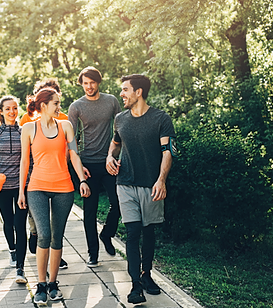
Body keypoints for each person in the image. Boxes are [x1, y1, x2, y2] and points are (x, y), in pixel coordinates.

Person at [106, 74, 176, 304]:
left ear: (139, 92)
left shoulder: (161, 119)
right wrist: (109, 157)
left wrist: (161, 180)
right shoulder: (120, 119)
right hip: (125, 183)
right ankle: (135, 285)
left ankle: (147, 275)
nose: (122, 94)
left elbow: (168, 152)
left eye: (125, 90)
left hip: (151, 185)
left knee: (148, 232)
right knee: (133, 232)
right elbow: (116, 143)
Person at [18, 88, 90, 305]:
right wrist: (21, 191)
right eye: (56, 103)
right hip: (37, 187)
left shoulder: (66, 126)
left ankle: (53, 284)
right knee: (43, 235)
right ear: (43, 105)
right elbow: (24, 162)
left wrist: (82, 180)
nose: (59, 107)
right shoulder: (29, 128)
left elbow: (74, 154)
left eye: (59, 103)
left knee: (57, 236)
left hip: (64, 188)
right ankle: (40, 284)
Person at [68, 66, 121, 267]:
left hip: (109, 162)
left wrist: (117, 157)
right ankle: (93, 253)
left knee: (118, 203)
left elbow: (120, 131)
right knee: (89, 211)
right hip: (87, 164)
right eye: (85, 83)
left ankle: (107, 234)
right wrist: (79, 167)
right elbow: (71, 140)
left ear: (98, 82)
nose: (89, 87)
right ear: (81, 84)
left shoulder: (111, 101)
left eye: (92, 82)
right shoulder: (76, 106)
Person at [19, 78, 69, 269]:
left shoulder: (64, 120)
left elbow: (70, 150)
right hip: (35, 178)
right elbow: (24, 156)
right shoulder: (27, 122)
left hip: (59, 177)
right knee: (40, 226)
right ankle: (37, 236)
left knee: (56, 228)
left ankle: (54, 256)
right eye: (54, 101)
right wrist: (23, 187)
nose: (57, 106)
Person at [0, 96, 29, 284]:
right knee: (8, 221)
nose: (12, 112)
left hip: (22, 186)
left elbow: (32, 160)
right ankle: (12, 250)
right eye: (8, 109)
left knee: (21, 225)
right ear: (1, 112)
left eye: (15, 108)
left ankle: (20, 268)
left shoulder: (24, 132)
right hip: (2, 187)